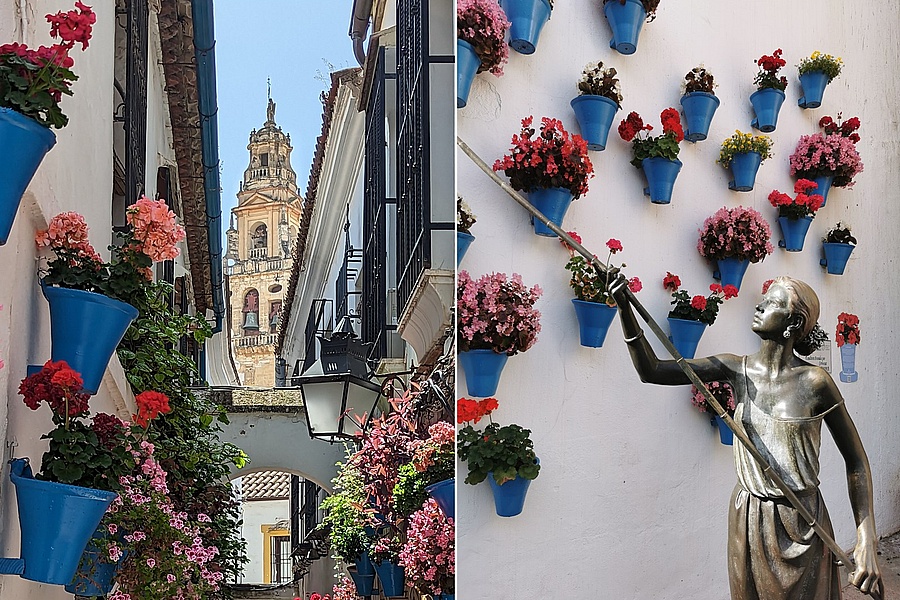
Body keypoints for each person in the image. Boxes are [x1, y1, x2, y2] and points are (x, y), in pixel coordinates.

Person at [611, 276, 880, 599]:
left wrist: (867, 538)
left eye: (773, 303)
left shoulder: (815, 382)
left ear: (793, 323)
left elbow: (856, 461)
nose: (760, 305)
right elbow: (652, 370)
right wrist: (624, 307)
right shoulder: (735, 369)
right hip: (749, 519)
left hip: (803, 522)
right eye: (764, 298)